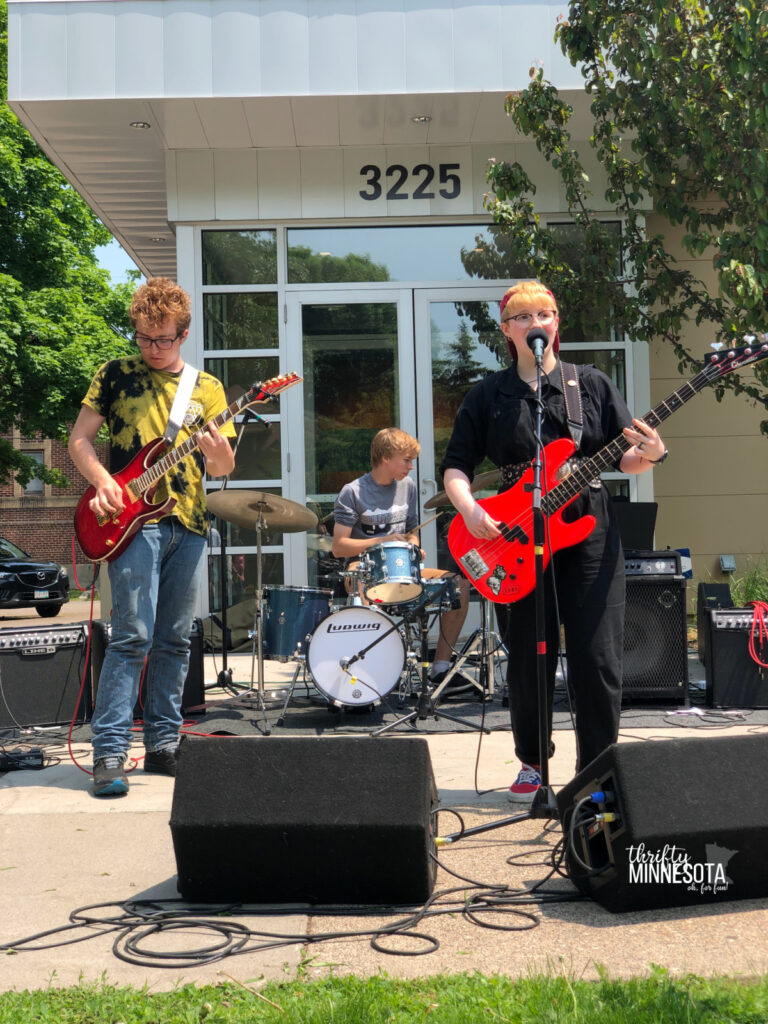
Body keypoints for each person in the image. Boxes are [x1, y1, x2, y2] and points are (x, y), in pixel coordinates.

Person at [441, 280, 667, 802]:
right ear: (507, 331)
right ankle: (532, 761)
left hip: (585, 525)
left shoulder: (587, 383)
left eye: (545, 313)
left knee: (596, 653)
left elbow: (625, 458)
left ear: (556, 324)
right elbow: (456, 465)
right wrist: (470, 509)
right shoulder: (488, 395)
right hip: (515, 534)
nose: (535, 322)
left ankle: (598, 770)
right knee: (528, 652)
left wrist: (652, 452)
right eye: (523, 316)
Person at [69, 277, 236, 797]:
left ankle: (164, 744)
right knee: (131, 635)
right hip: (131, 523)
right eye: (143, 337)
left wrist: (214, 451)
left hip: (187, 523)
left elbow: (225, 465)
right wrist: (102, 483)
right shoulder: (114, 375)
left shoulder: (206, 389)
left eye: (162, 339)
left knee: (175, 639)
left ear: (183, 334)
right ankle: (111, 752)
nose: (152, 349)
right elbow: (79, 440)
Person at [332, 427, 472, 691]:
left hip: (405, 569)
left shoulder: (407, 487)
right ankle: (371, 670)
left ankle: (440, 667)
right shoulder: (352, 492)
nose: (411, 466)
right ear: (386, 457)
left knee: (459, 586)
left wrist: (414, 546)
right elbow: (338, 547)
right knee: (362, 587)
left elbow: (412, 532)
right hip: (364, 570)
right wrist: (382, 541)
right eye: (406, 460)